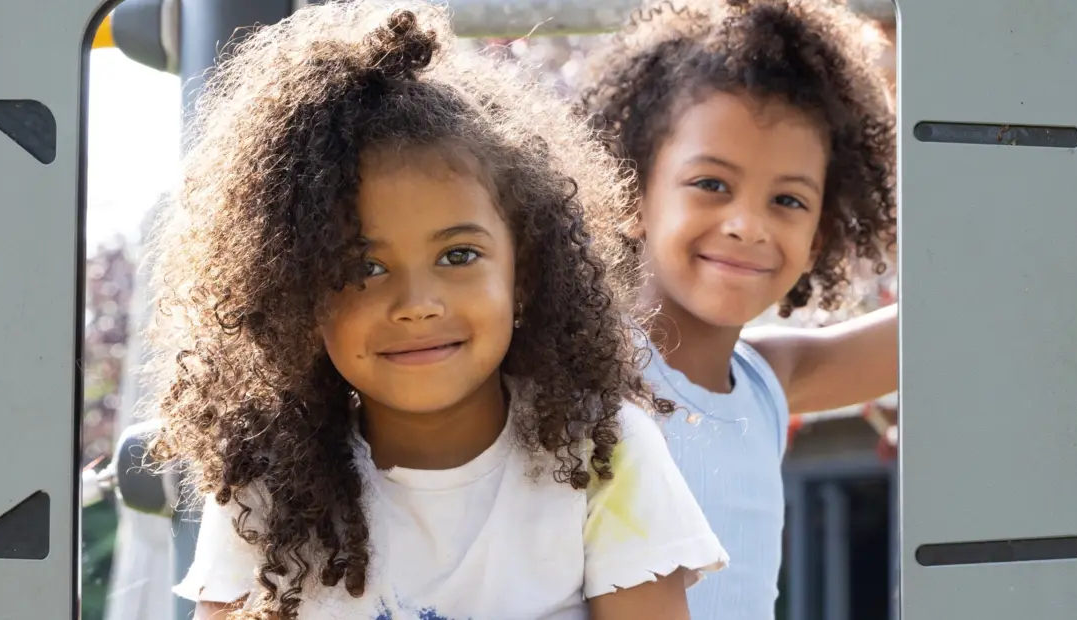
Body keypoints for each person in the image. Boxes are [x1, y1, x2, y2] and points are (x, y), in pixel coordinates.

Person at [144, 3, 727, 618]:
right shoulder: (268, 481)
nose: (417, 305)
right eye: (363, 269)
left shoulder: (602, 452)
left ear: (525, 272)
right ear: (294, 296)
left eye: (458, 255)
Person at [576, 0, 902, 617]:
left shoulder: (766, 383)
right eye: (712, 185)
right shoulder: (587, 370)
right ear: (630, 194)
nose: (747, 225)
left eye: (788, 200)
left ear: (818, 238)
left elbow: (944, 331)